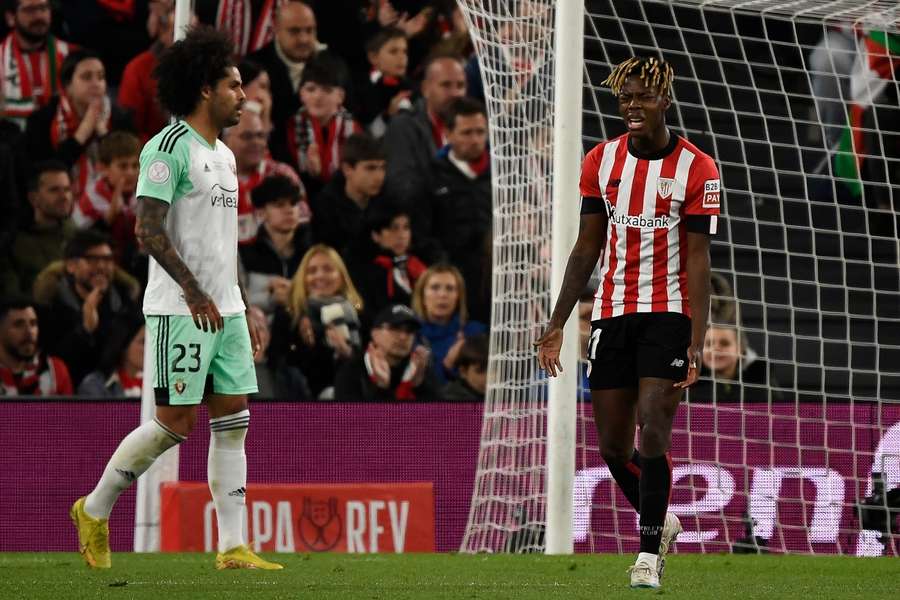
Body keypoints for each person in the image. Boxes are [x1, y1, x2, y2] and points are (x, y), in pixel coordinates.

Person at [69, 26, 281, 572]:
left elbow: (220, 240)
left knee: (234, 416)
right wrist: (193, 293)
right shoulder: (166, 149)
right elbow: (147, 230)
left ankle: (232, 547)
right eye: (234, 86)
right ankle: (93, 509)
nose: (244, 96)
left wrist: (239, 304)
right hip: (180, 310)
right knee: (173, 424)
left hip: (224, 309)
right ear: (206, 89)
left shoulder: (226, 157)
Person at [534, 57, 721, 589]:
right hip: (613, 311)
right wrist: (557, 324)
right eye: (624, 99)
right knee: (614, 449)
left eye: (642, 97)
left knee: (654, 431)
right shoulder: (601, 160)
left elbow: (700, 260)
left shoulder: (697, 168)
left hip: (668, 314)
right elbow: (586, 246)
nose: (631, 107)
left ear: (665, 100)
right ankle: (662, 520)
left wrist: (696, 337)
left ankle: (647, 556)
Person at [24, 49, 134, 198]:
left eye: (101, 77)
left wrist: (102, 132)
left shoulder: (120, 118)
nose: (96, 84)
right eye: (86, 77)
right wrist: (83, 131)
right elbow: (46, 177)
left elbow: (127, 168)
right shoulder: (42, 121)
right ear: (68, 85)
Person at [268, 244, 364, 400]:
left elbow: (365, 369)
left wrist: (347, 353)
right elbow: (277, 364)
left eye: (328, 269)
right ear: (302, 278)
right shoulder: (289, 315)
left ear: (341, 276)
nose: (320, 276)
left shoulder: (357, 314)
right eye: (311, 271)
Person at [426, 96, 491, 321]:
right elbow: (423, 230)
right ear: (448, 133)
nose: (475, 140)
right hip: (450, 282)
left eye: (480, 132)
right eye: (467, 133)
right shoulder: (432, 175)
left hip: (494, 281)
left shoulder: (503, 175)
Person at [383, 53, 466, 206]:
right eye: (446, 85)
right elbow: (401, 190)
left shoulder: (474, 126)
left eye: (460, 86)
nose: (455, 93)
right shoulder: (404, 127)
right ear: (425, 89)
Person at [279, 52, 361, 197]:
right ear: (301, 94)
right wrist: (312, 175)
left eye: (327, 90)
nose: (317, 96)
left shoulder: (354, 130)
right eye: (311, 89)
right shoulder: (288, 128)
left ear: (340, 96)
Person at [221, 105, 305, 244]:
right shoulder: (214, 179)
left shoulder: (283, 174)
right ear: (226, 141)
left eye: (260, 135)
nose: (256, 142)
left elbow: (303, 223)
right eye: (247, 136)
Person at [239, 174, 312, 318]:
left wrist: (295, 295)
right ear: (261, 212)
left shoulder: (312, 250)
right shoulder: (244, 252)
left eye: (293, 203)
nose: (289, 210)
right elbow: (237, 302)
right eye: (279, 205)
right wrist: (271, 299)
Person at [334, 303, 439, 402]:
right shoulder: (352, 371)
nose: (403, 337)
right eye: (394, 328)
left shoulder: (419, 370)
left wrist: (420, 387)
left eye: (409, 331)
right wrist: (381, 389)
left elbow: (438, 417)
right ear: (374, 333)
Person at [245, 0, 324, 132]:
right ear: (276, 29)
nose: (303, 39)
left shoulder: (331, 67)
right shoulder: (255, 68)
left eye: (309, 30)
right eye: (295, 31)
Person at [0, 160, 75, 298]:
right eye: (54, 190)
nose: (64, 197)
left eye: (67, 189)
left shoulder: (76, 233)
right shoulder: (14, 246)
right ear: (34, 198)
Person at [0, 0, 73, 129]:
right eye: (30, 10)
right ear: (11, 18)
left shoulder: (72, 57)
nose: (39, 16)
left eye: (43, 8)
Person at [313, 132, 387, 256]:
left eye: (383, 168)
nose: (379, 177)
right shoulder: (325, 209)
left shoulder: (388, 201)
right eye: (370, 168)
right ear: (347, 169)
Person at [412, 264, 486, 386]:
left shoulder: (475, 333)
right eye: (435, 288)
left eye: (450, 288)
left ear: (458, 296)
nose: (442, 295)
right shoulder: (408, 334)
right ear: (422, 295)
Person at [117, 0, 181, 142]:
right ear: (163, 33)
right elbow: (130, 131)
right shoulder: (138, 69)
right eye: (175, 34)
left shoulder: (206, 69)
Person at [349, 200, 426, 316]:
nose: (402, 235)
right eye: (393, 228)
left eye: (406, 228)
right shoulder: (365, 274)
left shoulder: (422, 265)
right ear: (376, 235)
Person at [0, 296, 73, 396]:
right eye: (18, 325)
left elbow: (67, 411)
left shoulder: (55, 370)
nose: (29, 332)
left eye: (33, 323)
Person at [357, 26, 413, 138]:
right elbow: (367, 136)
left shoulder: (414, 88)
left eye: (405, 51)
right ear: (373, 58)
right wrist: (388, 115)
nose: (402, 57)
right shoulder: (366, 94)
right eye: (393, 51)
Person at [76, 310, 144, 397]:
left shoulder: (157, 385)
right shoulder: (95, 386)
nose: (149, 349)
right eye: (143, 342)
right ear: (123, 344)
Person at [439, 333, 487, 401]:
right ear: (463, 372)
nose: (491, 376)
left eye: (495, 369)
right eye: (481, 370)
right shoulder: (450, 401)